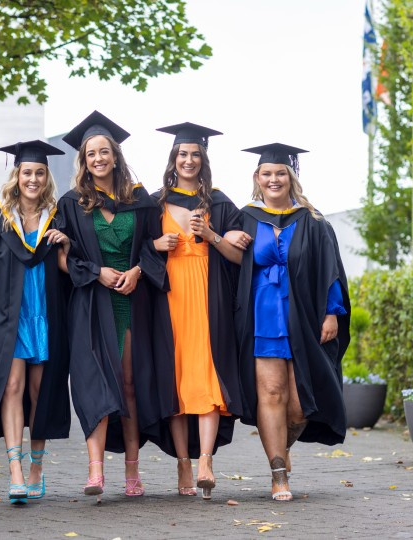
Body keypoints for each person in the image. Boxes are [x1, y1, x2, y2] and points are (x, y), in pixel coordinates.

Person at [57, 111, 175, 502]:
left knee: (128, 386)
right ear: (84, 160)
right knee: (94, 383)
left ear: (115, 156)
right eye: (91, 153)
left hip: (130, 301)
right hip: (92, 302)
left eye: (104, 151)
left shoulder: (140, 200)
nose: (98, 158)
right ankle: (95, 471)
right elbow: (65, 258)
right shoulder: (71, 203)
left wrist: (139, 271)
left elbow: (153, 246)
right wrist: (97, 272)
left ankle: (132, 470)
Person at [235, 142, 351, 502]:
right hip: (262, 315)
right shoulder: (246, 217)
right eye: (267, 174)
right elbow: (229, 262)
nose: (274, 179)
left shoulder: (312, 221)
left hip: (303, 315)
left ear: (291, 177)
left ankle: (283, 449)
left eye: (280, 173)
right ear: (258, 177)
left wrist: (332, 312)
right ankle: (278, 473)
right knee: (271, 393)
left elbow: (330, 269)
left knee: (300, 404)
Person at [0, 140, 72, 504]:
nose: (33, 179)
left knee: (41, 393)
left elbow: (73, 266)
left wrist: (65, 242)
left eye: (40, 172)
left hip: (47, 316)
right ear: (16, 175)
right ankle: (16, 472)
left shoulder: (59, 218)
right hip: (9, 317)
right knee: (11, 388)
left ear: (47, 177)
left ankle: (37, 466)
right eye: (27, 172)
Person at [150, 123, 250, 500]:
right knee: (174, 380)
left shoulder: (221, 204)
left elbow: (240, 257)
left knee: (207, 377)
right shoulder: (155, 202)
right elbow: (140, 248)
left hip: (210, 299)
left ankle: (205, 460)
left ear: (203, 160)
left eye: (195, 154)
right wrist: (157, 243)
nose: (188, 160)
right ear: (173, 160)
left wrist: (211, 236)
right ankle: (183, 462)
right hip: (169, 297)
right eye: (182, 154)